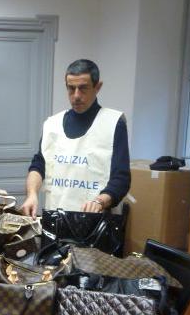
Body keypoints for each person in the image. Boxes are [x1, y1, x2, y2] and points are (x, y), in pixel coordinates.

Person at [21, 59, 130, 217]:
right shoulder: (53, 124)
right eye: (71, 88)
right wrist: (32, 194)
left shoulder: (113, 123)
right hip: (56, 217)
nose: (76, 95)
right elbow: (38, 165)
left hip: (95, 219)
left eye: (83, 88)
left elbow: (121, 179)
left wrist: (100, 201)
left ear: (97, 87)